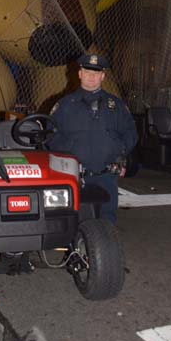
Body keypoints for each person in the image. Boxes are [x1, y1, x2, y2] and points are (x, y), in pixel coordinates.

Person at [46, 53, 138, 225]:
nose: (91, 77)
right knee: (76, 223)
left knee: (107, 223)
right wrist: (70, 152)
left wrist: (119, 152)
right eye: (87, 72)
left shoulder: (115, 105)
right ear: (79, 74)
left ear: (103, 76)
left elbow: (130, 133)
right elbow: (50, 135)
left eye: (96, 73)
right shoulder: (65, 105)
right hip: (75, 176)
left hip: (106, 176)